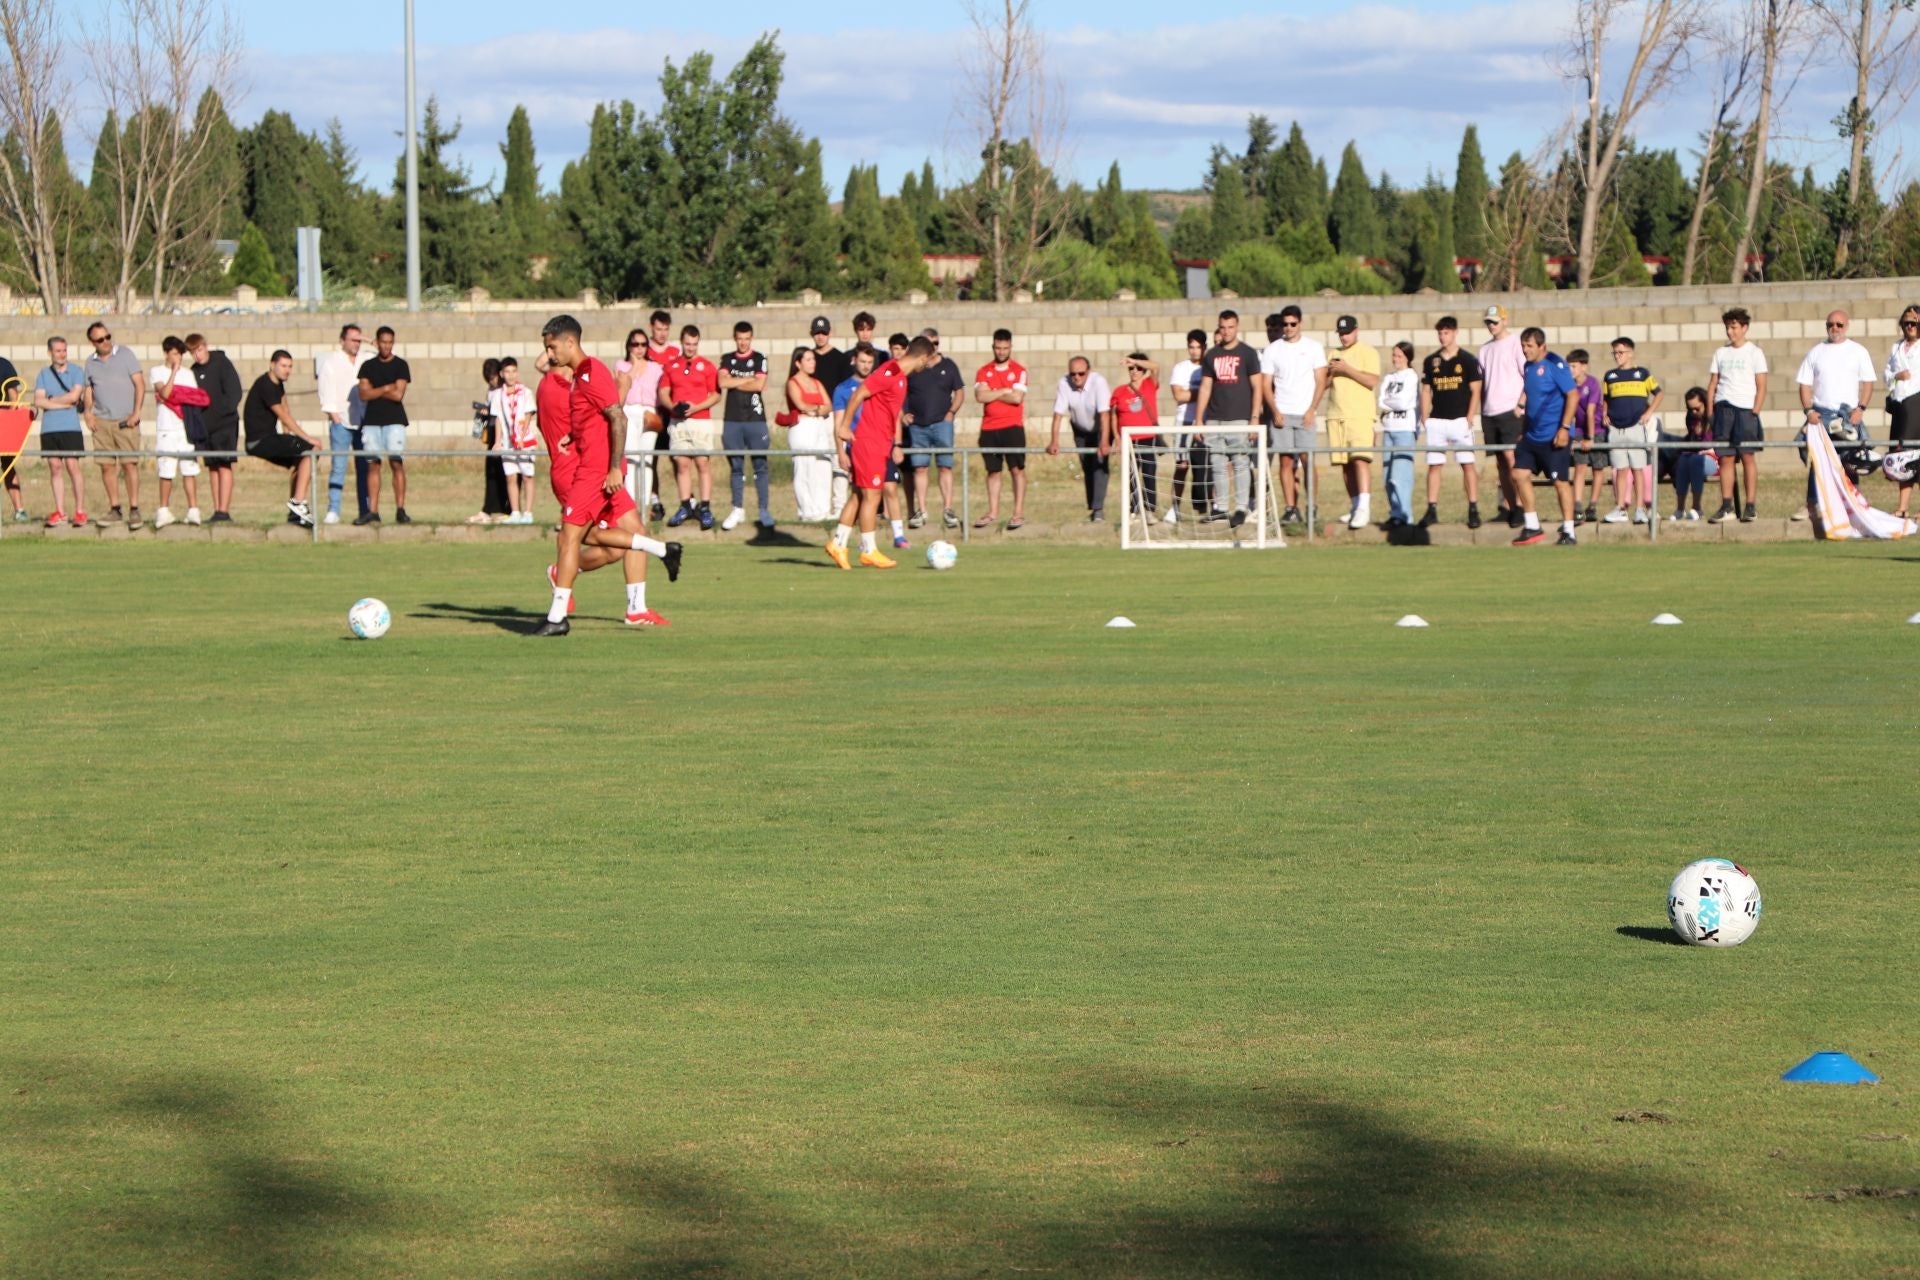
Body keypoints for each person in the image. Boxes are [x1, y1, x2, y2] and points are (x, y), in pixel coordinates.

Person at [530, 314, 683, 637]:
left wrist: (613, 467)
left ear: (570, 342)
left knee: (570, 538)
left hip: (594, 471)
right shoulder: (577, 378)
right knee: (609, 538)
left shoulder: (588, 373)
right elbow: (593, 416)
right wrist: (574, 435)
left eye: (552, 347)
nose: (548, 355)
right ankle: (659, 558)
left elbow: (617, 417)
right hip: (592, 467)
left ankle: (558, 616)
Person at [825, 335, 937, 570]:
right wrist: (844, 426)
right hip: (869, 441)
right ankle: (869, 550)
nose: (927, 366)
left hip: (880, 442)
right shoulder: (890, 371)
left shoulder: (901, 377)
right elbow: (859, 393)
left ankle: (838, 543)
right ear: (923, 357)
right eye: (928, 361)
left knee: (858, 495)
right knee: (873, 495)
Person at [1791, 309, 1877, 522]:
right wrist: (1809, 411)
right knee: (1818, 460)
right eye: (1830, 324)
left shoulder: (1858, 351)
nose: (1834, 328)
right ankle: (1812, 505)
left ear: (1846, 326)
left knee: (1850, 461)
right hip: (1821, 415)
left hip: (1848, 416)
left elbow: (1868, 382)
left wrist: (1860, 409)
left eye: (1839, 324)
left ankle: (1853, 505)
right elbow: (1804, 384)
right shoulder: (1816, 352)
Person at [1189, 309, 1266, 529]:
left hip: (1240, 419)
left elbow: (1257, 386)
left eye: (1230, 327)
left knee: (1241, 463)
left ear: (1237, 327)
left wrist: (1254, 417)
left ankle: (1241, 508)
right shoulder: (1211, 355)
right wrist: (1199, 419)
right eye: (1223, 327)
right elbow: (1205, 388)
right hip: (1215, 418)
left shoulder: (1248, 353)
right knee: (1217, 464)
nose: (1226, 331)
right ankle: (1220, 507)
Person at [833, 342, 908, 549]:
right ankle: (867, 546)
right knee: (867, 495)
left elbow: (893, 414)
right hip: (862, 445)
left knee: (881, 490)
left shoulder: (880, 380)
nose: (866, 366)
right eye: (862, 361)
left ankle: (896, 536)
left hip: (882, 444)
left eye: (869, 362)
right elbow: (839, 423)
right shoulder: (843, 389)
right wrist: (841, 451)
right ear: (854, 361)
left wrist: (897, 443)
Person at [1258, 305, 1327, 525]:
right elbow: (1266, 384)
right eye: (1285, 324)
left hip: (1305, 413)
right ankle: (1290, 508)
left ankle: (1312, 506)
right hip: (1283, 414)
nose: (1288, 328)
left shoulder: (1314, 347)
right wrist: (1275, 411)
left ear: (1300, 323)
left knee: (1308, 460)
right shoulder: (1272, 350)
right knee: (1285, 461)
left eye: (1292, 324)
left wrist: (1312, 409)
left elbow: (1321, 380)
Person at [1512, 327, 1579, 546]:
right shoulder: (1528, 366)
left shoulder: (1555, 365)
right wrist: (1524, 430)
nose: (1525, 350)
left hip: (1555, 435)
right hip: (1532, 435)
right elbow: (1532, 398)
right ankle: (1532, 526)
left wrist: (1564, 428)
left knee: (1560, 482)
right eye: (1523, 345)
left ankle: (1569, 531)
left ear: (1542, 346)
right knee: (1519, 474)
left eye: (1529, 346)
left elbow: (1573, 395)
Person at [1418, 316, 1482, 529]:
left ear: (1455, 333)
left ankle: (1473, 508)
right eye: (1440, 333)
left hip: (1459, 420)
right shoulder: (1431, 361)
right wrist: (1425, 417)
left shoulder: (1467, 360)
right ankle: (1431, 509)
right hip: (1438, 420)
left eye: (1446, 332)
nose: (1442, 336)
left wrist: (1470, 417)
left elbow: (1475, 390)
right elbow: (1426, 390)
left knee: (1467, 464)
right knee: (1434, 465)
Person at [1706, 307, 1769, 523]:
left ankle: (1750, 506)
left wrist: (1754, 411)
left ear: (1744, 328)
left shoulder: (1755, 353)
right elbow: (1713, 383)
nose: (1730, 332)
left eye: (1734, 327)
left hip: (1745, 411)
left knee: (1748, 456)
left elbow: (1761, 385)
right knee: (1725, 458)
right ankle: (1727, 506)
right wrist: (1711, 412)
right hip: (1723, 410)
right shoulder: (1720, 353)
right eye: (1727, 328)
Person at [243, 350, 320, 527]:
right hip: (259, 441)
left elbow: (286, 409)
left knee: (301, 459)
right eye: (283, 366)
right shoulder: (266, 385)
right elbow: (283, 415)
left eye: (290, 366)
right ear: (272, 365)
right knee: (311, 449)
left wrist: (288, 437)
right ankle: (298, 503)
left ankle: (294, 512)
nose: (287, 370)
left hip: (270, 438)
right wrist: (307, 438)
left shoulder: (278, 385)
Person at [83, 320, 145, 529]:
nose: (106, 341)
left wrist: (136, 412)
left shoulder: (126, 354)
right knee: (107, 466)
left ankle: (134, 509)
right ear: (93, 342)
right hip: (102, 422)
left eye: (108, 336)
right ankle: (115, 508)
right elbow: (89, 389)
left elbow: (139, 384)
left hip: (125, 420)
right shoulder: (90, 363)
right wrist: (88, 412)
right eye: (101, 339)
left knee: (129, 464)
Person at [903, 326, 965, 529]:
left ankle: (948, 510)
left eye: (936, 343)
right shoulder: (914, 368)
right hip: (918, 426)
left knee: (945, 466)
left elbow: (960, 392)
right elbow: (901, 391)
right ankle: (922, 511)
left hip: (942, 425)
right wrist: (904, 414)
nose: (933, 347)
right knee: (920, 468)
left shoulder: (949, 365)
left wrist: (951, 413)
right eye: (929, 344)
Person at [1324, 315, 1381, 529]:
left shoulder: (1368, 352)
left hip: (1360, 415)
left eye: (1347, 332)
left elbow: (1372, 381)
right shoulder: (1333, 354)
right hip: (1336, 415)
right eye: (1341, 333)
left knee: (1360, 460)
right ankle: (1355, 505)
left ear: (1356, 331)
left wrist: (1347, 369)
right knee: (1345, 464)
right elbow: (1325, 384)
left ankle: (1364, 507)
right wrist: (1330, 373)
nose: (1344, 337)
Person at [662, 324, 721, 530]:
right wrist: (673, 407)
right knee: (682, 463)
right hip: (678, 422)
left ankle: (705, 507)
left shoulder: (707, 366)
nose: (691, 348)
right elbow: (663, 392)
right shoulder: (671, 366)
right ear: (681, 342)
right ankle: (685, 505)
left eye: (694, 344)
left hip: (701, 420)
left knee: (703, 463)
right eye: (687, 344)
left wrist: (697, 407)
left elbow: (716, 395)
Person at [718, 320, 773, 532]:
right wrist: (747, 379)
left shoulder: (759, 358)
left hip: (755, 420)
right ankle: (737, 508)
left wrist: (736, 380)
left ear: (751, 338)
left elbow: (760, 384)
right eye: (740, 339)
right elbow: (722, 382)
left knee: (760, 465)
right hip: (732, 419)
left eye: (746, 339)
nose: (743, 343)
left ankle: (763, 510)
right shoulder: (727, 358)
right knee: (736, 466)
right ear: (735, 338)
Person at [1600, 336, 1662, 525]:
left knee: (1637, 469)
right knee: (1620, 469)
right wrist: (1604, 413)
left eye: (1620, 352)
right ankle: (1620, 508)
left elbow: (1659, 393)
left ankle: (1640, 509)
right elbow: (1606, 398)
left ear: (1630, 353)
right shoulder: (1609, 376)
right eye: (1614, 353)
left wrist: (1648, 413)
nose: (1617, 356)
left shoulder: (1642, 374)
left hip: (1635, 427)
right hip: (1615, 429)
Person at [1047, 355, 1114, 522]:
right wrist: (1054, 441)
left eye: (1081, 373)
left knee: (1099, 464)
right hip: (1080, 429)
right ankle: (1092, 506)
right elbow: (1058, 415)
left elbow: (1105, 415)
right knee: (1087, 466)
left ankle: (1098, 509)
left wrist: (1104, 442)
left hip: (1101, 428)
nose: (1076, 377)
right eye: (1073, 374)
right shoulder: (1064, 383)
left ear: (1088, 372)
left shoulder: (1099, 382)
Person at [974, 327, 1029, 531]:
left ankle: (1018, 513)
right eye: (998, 348)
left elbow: (1017, 398)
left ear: (1010, 347)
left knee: (1016, 470)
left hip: (1012, 427)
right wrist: (1004, 390)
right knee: (993, 471)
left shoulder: (1019, 370)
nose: (1001, 352)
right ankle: (993, 512)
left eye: (1005, 348)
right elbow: (980, 396)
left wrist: (993, 392)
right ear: (993, 347)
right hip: (989, 428)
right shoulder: (983, 371)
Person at [356, 325, 412, 524]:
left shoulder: (401, 365)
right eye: (383, 342)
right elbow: (363, 394)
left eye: (390, 343)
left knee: (396, 462)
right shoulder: (368, 366)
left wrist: (376, 390)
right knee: (373, 465)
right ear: (377, 342)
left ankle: (400, 509)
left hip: (395, 421)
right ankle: (373, 511)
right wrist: (387, 387)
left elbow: (398, 394)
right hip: (372, 421)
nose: (387, 346)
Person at [316, 323, 370, 526]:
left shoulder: (366, 359)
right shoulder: (331, 362)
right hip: (342, 423)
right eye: (353, 339)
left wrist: (370, 341)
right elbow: (325, 393)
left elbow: (391, 356)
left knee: (365, 468)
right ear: (342, 341)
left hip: (363, 423)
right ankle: (333, 510)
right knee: (338, 467)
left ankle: (366, 509)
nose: (357, 343)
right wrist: (335, 418)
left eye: (359, 340)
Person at [1478, 305, 1527, 527]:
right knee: (1500, 463)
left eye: (1495, 321)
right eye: (1488, 322)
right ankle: (1510, 507)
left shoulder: (1515, 343)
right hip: (1490, 413)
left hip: (1511, 410)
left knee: (1511, 458)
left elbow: (1527, 375)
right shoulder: (1484, 349)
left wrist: (1521, 404)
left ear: (1505, 321)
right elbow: (1482, 382)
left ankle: (1522, 505)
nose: (1491, 326)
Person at [185, 334, 240, 522]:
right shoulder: (193, 371)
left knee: (224, 464)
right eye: (193, 352)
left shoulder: (222, 363)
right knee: (212, 467)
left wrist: (221, 414)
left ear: (205, 346)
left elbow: (234, 393)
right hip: (206, 428)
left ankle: (224, 511)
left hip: (225, 425)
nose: (198, 355)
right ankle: (217, 510)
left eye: (200, 350)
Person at [148, 336, 202, 529]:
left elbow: (192, 398)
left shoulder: (188, 374)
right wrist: (173, 375)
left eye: (180, 354)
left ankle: (193, 509)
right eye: (174, 354)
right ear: (166, 353)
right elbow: (164, 393)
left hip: (185, 428)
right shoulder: (157, 372)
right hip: (166, 428)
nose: (177, 358)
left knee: (189, 469)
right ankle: (163, 510)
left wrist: (175, 395)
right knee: (166, 470)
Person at [615, 327, 668, 517]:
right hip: (629, 411)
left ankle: (644, 505)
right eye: (635, 344)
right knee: (631, 458)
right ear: (629, 346)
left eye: (643, 344)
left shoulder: (655, 368)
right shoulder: (621, 365)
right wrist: (635, 365)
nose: (639, 348)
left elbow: (659, 393)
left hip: (648, 412)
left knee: (646, 459)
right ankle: (631, 505)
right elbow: (623, 385)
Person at [35, 338, 88, 527]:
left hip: (70, 427)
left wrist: (51, 400)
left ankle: (80, 511)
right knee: (55, 467)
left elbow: (74, 396)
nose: (62, 354)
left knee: (73, 466)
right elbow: (39, 401)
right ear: (50, 353)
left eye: (64, 350)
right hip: (49, 428)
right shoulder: (43, 374)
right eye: (58, 351)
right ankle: (60, 511)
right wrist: (62, 404)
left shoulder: (76, 371)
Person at [784, 347, 835, 521]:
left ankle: (823, 509)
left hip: (819, 425)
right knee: (804, 468)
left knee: (822, 466)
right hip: (802, 427)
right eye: (808, 360)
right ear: (798, 363)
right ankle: (807, 511)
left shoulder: (817, 383)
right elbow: (801, 405)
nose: (813, 363)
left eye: (813, 359)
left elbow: (828, 405)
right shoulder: (793, 382)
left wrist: (817, 410)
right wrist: (817, 408)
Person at [1164, 328, 1209, 523]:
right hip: (1184, 421)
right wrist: (1205, 392)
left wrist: (1192, 393)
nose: (1194, 351)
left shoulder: (1209, 367)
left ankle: (1214, 506)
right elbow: (1179, 395)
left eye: (1198, 347)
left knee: (1209, 465)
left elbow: (1187, 393)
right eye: (1191, 347)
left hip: (1206, 422)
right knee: (1182, 466)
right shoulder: (1180, 368)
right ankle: (1174, 508)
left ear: (1204, 347)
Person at [489, 356, 539, 523]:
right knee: (511, 477)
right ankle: (515, 512)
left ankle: (528, 513)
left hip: (525, 442)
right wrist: (497, 441)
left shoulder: (526, 392)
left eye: (513, 371)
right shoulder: (498, 395)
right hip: (508, 442)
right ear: (502, 374)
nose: (511, 375)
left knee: (527, 476)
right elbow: (498, 418)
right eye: (507, 372)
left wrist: (522, 437)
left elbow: (528, 415)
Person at [1376, 341, 1419, 529]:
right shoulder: (1389, 377)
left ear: (1408, 357)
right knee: (1387, 477)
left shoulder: (1411, 376)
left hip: (1404, 430)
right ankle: (1395, 513)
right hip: (1389, 429)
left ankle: (1405, 515)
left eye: (1399, 356)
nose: (1396, 359)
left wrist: (1389, 401)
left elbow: (1403, 402)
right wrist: (1390, 402)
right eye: (1394, 355)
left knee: (1400, 476)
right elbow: (1381, 401)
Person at [1112, 351, 1161, 518]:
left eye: (1138, 368)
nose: (1134, 371)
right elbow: (1114, 415)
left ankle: (1149, 510)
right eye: (1131, 368)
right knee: (1130, 476)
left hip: (1147, 438)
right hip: (1128, 440)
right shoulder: (1120, 391)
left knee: (1149, 474)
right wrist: (1117, 437)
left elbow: (1156, 367)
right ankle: (1134, 509)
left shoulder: (1149, 384)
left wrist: (1134, 360)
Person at [1564, 349, 1608, 523]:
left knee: (1598, 469)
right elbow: (1569, 412)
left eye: (1573, 366)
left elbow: (1590, 412)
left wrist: (1590, 438)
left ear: (1584, 367)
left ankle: (1592, 506)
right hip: (1580, 432)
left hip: (1596, 431)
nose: (1570, 370)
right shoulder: (1569, 385)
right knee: (1580, 468)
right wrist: (1571, 435)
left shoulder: (1593, 383)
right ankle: (1577, 506)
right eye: (1568, 366)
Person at [471, 357, 513, 525]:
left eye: (493, 377)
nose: (492, 381)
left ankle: (508, 509)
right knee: (491, 473)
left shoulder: (505, 390)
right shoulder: (491, 390)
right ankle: (488, 508)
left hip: (504, 436)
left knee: (506, 473)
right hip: (492, 434)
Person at [1887, 305, 1920, 519]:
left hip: (1917, 401)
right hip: (1900, 403)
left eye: (1914, 323)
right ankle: (1903, 506)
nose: (1910, 327)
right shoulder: (1896, 347)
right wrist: (1896, 375)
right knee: (1902, 456)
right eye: (1906, 323)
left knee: (1916, 453)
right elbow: (1887, 373)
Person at [1671, 386, 1713, 521]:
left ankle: (1697, 507)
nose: (1693, 412)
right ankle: (1680, 508)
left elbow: (1710, 443)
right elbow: (1692, 441)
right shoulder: (1691, 418)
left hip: (1714, 458)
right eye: (1690, 409)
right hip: (1696, 455)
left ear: (1706, 404)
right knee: (1683, 460)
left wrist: (1703, 433)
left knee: (1695, 460)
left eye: (1697, 408)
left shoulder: (1715, 416)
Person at [0, 351, 22, 522]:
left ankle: (19, 509)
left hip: (3, 422)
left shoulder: (3, 364)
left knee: (8, 465)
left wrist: (9, 422)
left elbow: (14, 396)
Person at [808, 315, 851, 398]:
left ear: (830, 333)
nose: (820, 337)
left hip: (835, 404)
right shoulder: (807, 359)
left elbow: (846, 387)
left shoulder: (842, 359)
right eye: (817, 333)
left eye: (824, 333)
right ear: (811, 334)